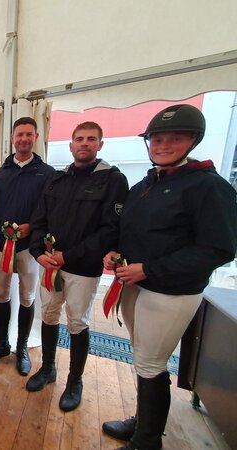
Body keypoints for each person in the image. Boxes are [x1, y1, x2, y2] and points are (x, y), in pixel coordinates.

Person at [100, 104, 237, 450]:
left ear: (192, 141)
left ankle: (147, 441)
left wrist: (149, 268)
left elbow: (218, 249)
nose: (164, 145)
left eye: (175, 139)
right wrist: (116, 251)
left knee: (151, 361)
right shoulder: (144, 186)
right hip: (134, 285)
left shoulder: (209, 187)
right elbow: (130, 231)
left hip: (170, 291)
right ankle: (144, 422)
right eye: (158, 139)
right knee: (143, 357)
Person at [27, 122, 129, 412]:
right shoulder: (57, 179)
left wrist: (68, 256)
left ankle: (75, 381)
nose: (84, 143)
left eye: (91, 139)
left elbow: (109, 231)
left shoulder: (113, 180)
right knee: (48, 314)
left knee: (77, 322)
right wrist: (38, 253)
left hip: (83, 268)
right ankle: (48, 368)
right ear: (71, 145)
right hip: (50, 265)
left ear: (100, 144)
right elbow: (39, 220)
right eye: (79, 139)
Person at [0, 117, 55, 376]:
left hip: (30, 248)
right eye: (19, 134)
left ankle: (21, 347)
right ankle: (1, 344)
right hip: (1, 247)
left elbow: (49, 210)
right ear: (12, 138)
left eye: (28, 134)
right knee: (2, 295)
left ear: (36, 137)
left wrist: (31, 227)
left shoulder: (47, 173)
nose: (23, 139)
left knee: (27, 297)